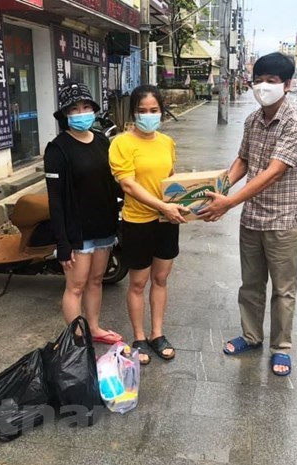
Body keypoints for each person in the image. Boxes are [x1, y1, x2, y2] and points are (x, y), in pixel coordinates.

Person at [200, 52, 297, 376]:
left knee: (283, 288)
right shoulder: (252, 120)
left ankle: (281, 348)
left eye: (272, 81)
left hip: (284, 221)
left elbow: (275, 170)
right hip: (252, 219)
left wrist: (229, 203)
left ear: (287, 85)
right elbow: (243, 161)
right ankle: (251, 336)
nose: (263, 86)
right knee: (250, 283)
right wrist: (218, 188)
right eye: (258, 79)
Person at [109, 85, 190, 365]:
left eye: (153, 110)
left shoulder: (167, 142)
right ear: (133, 112)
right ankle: (140, 337)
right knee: (138, 282)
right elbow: (128, 184)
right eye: (142, 111)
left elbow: (169, 179)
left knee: (161, 279)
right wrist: (162, 206)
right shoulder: (121, 143)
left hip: (166, 221)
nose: (148, 115)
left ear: (161, 111)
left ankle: (157, 334)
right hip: (138, 222)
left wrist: (183, 201)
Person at [44, 82, 123, 345]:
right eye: (74, 108)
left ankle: (95, 327)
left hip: (103, 225)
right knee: (76, 286)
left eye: (86, 107)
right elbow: (55, 199)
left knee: (96, 280)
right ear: (65, 114)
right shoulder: (58, 148)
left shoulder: (101, 140)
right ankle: (77, 337)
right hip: (77, 232)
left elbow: (111, 181)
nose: (82, 112)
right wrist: (62, 243)